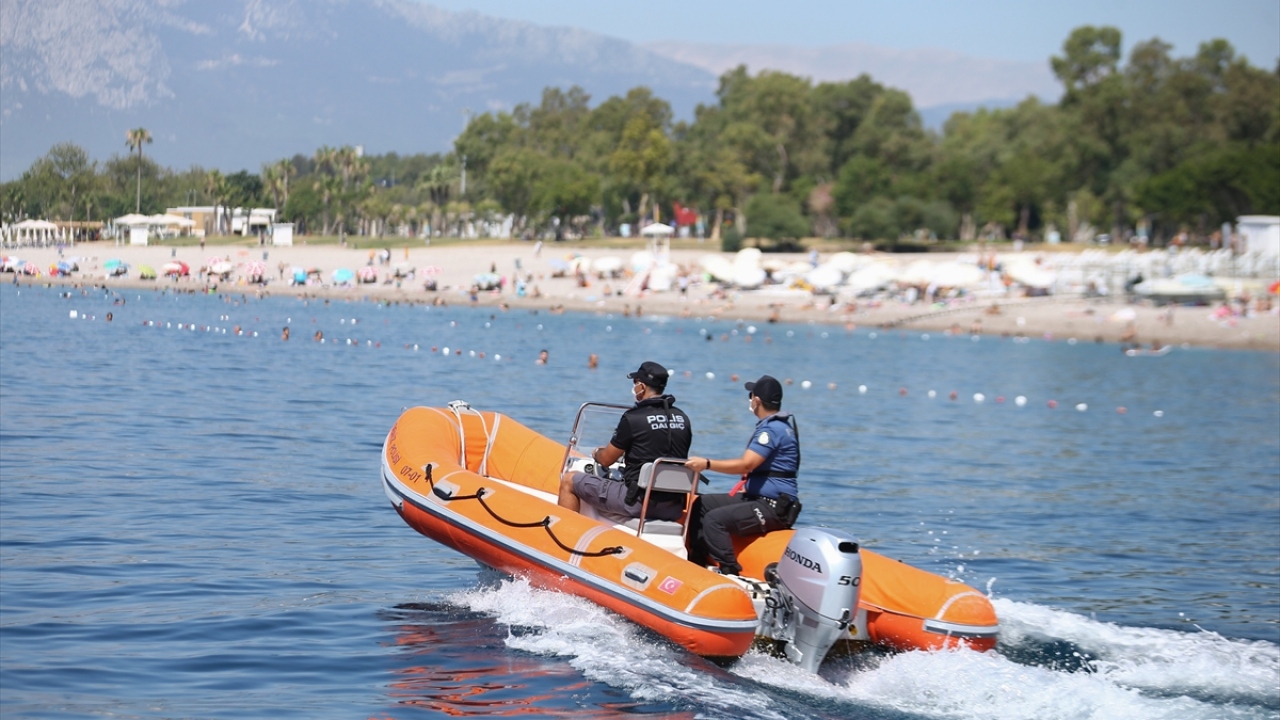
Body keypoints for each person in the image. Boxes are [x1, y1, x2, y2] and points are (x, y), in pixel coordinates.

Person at [684, 375, 800, 576]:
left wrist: (707, 464)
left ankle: (730, 570)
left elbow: (747, 463)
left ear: (757, 401)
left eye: (751, 396)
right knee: (701, 505)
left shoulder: (772, 430)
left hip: (772, 506)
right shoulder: (778, 426)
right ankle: (698, 560)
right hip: (759, 499)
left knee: (714, 519)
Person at [558, 361, 692, 520]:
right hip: (672, 508)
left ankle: (565, 533)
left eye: (635, 383)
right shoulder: (683, 418)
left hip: (637, 503)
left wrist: (596, 452)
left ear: (641, 386)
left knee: (569, 480)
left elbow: (607, 460)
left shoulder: (634, 418)